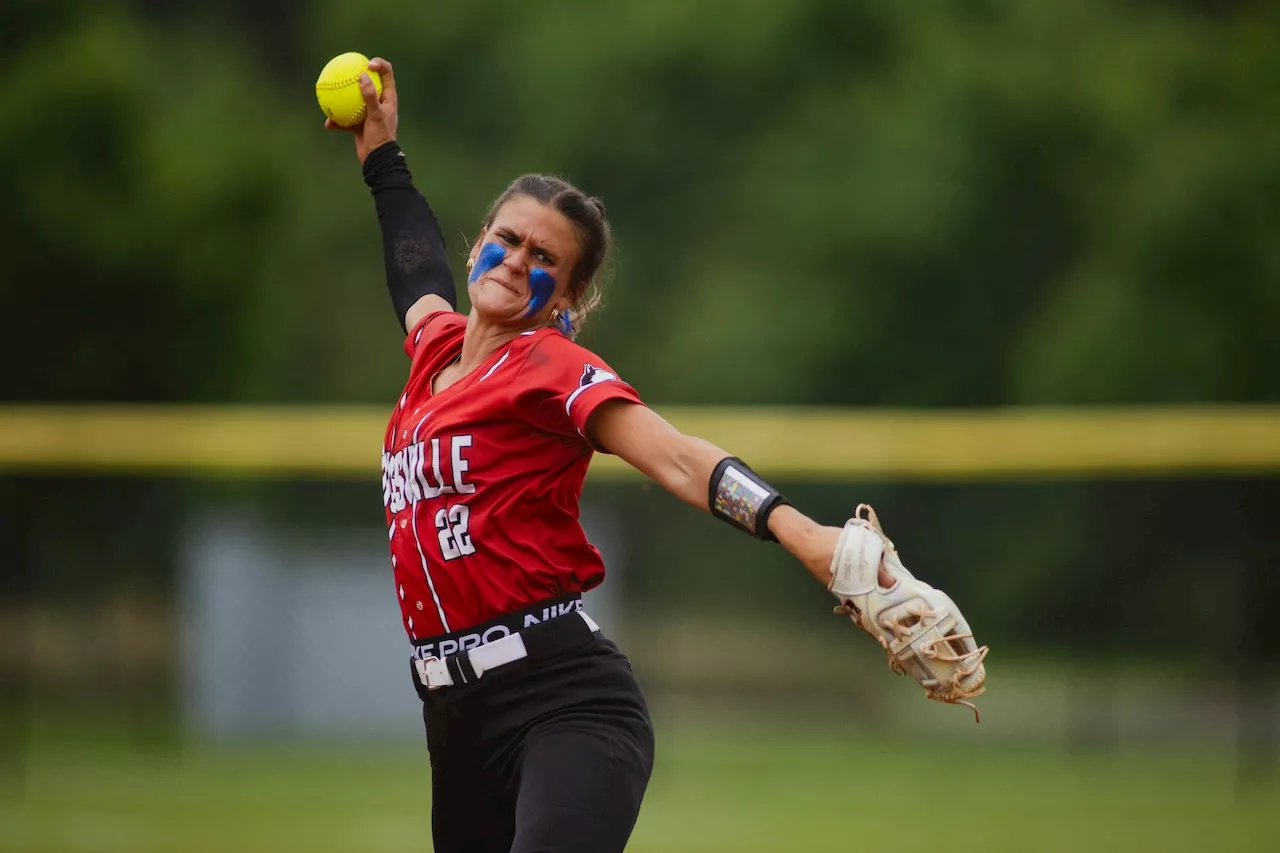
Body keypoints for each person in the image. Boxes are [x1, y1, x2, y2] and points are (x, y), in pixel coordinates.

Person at [327, 57, 981, 853]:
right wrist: (381, 156)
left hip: (565, 705)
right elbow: (414, 267)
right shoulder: (434, 355)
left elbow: (676, 458)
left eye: (544, 259)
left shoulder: (548, 367)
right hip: (453, 718)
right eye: (505, 238)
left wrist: (810, 537)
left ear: (564, 298)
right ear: (478, 245)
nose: (515, 261)